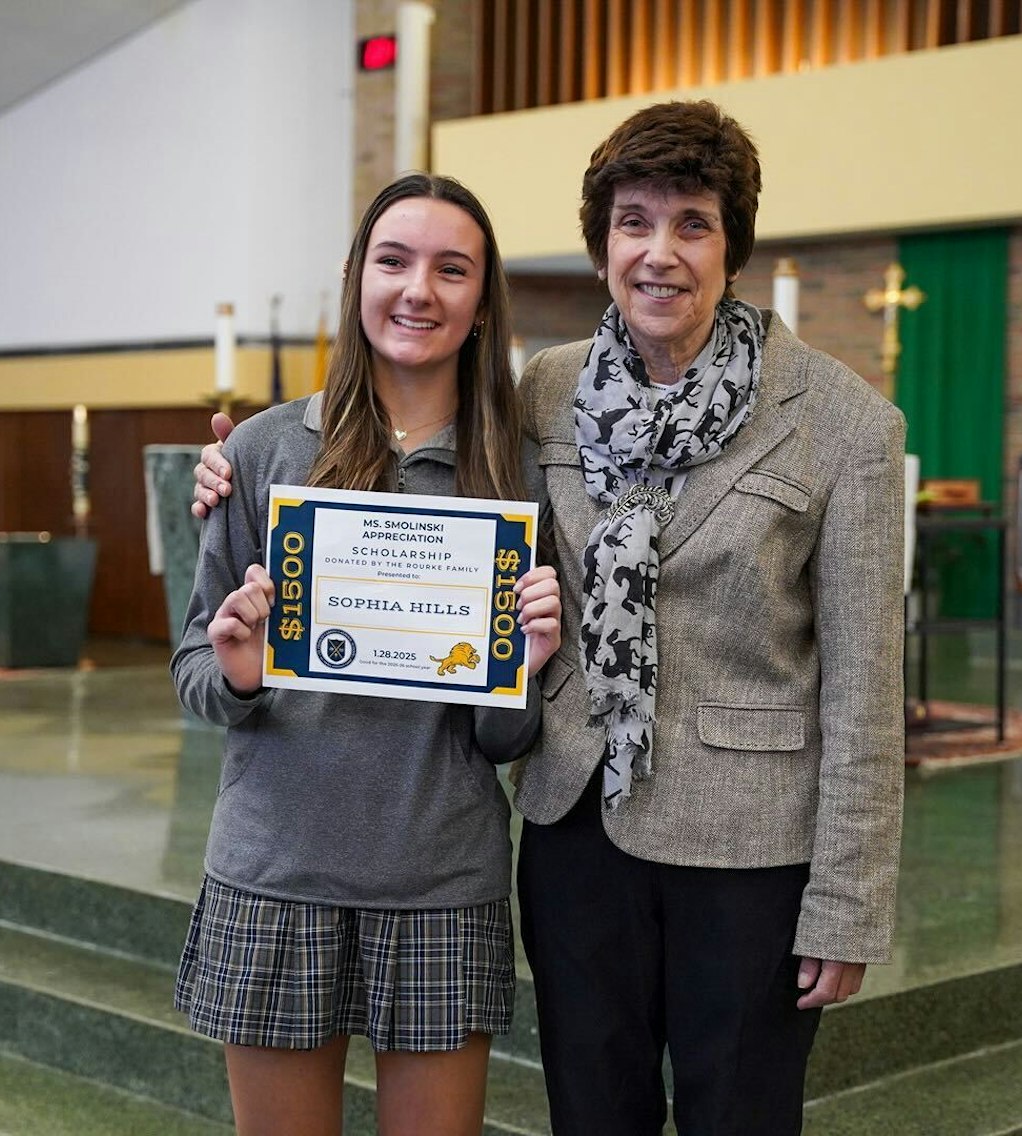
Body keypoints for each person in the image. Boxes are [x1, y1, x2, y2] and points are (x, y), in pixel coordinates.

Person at [194, 100, 906, 1136]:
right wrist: (228, 466)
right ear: (602, 242)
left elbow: (866, 688)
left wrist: (849, 900)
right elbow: (398, 442)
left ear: (732, 244)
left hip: (749, 848)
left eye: (692, 223)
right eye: (633, 222)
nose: (659, 253)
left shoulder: (844, 423)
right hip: (575, 833)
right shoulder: (543, 394)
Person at [172, 172, 561, 1136]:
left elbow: (505, 739)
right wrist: (239, 669)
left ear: (481, 302)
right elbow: (193, 666)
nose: (417, 289)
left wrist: (531, 657)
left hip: (439, 881)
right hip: (276, 874)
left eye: (450, 269)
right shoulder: (262, 453)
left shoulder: (519, 472)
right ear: (356, 280)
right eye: (393, 261)